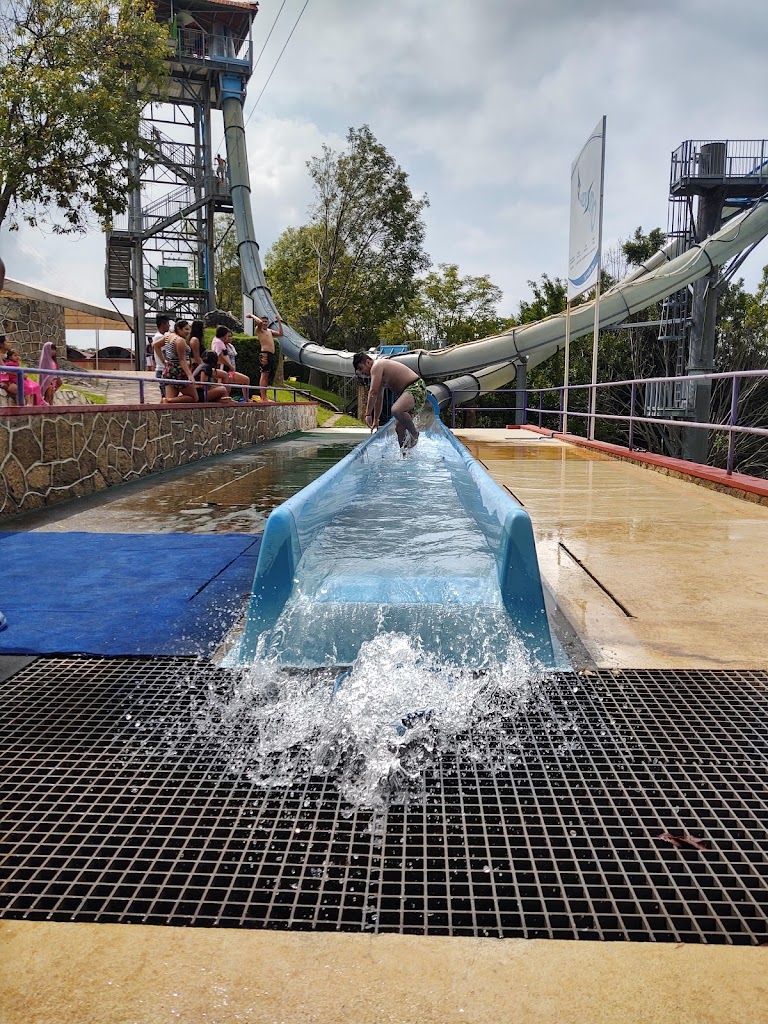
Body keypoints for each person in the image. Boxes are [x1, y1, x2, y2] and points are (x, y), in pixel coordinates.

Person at [353, 351, 427, 452]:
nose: (363, 373)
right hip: (407, 393)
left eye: (361, 369)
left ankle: (414, 433)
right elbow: (379, 397)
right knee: (399, 427)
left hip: (416, 387)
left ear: (368, 362)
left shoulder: (377, 365)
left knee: (396, 410)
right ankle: (405, 455)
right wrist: (376, 419)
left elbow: (373, 392)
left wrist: (367, 414)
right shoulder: (379, 374)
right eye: (360, 373)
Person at [246, 313, 283, 401]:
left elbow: (281, 333)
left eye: (266, 322)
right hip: (265, 354)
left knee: (267, 375)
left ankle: (265, 397)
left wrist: (279, 322)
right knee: (264, 374)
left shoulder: (269, 331)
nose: (264, 323)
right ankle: (263, 397)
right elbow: (258, 322)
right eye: (263, 321)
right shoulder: (259, 330)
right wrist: (251, 315)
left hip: (271, 354)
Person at [160, 320, 198, 403]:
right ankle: (168, 400)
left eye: (189, 329)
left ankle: (166, 401)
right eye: (186, 329)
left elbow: (155, 345)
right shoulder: (180, 340)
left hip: (169, 370)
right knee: (194, 398)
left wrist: (163, 360)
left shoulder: (169, 336)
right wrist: (190, 375)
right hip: (179, 371)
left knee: (170, 403)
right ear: (178, 329)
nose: (188, 332)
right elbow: (182, 360)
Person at [211, 325, 250, 400]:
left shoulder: (230, 346)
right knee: (227, 386)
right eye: (228, 336)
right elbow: (220, 356)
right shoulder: (218, 343)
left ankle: (246, 399)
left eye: (231, 336)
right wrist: (229, 365)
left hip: (231, 370)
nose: (229, 338)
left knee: (245, 380)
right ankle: (224, 399)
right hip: (224, 369)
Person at [151, 313, 170, 402]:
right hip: (162, 369)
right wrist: (164, 361)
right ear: (163, 324)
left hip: (161, 369)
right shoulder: (160, 337)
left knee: (164, 396)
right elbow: (165, 352)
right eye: (168, 323)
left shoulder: (157, 336)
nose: (169, 325)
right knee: (166, 396)